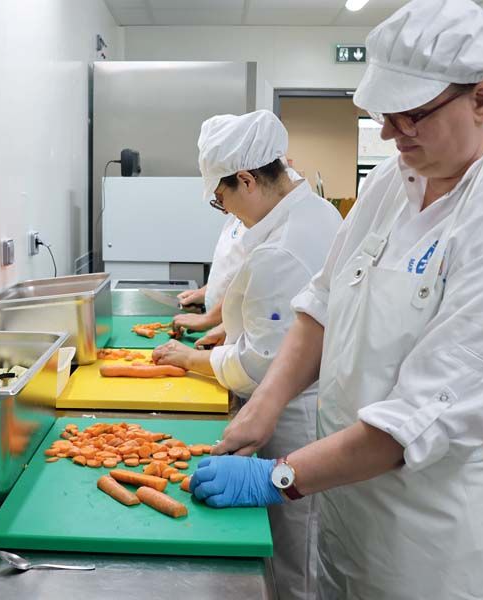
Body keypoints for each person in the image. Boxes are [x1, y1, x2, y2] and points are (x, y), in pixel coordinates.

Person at [187, 1, 483, 599]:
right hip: (351, 504)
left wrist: (279, 474)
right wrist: (264, 406)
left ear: (482, 98)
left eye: (412, 114)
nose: (392, 134)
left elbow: (420, 418)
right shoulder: (396, 182)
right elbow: (322, 303)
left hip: (441, 542)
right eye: (384, 115)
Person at [152, 109, 342, 600]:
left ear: (246, 180)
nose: (227, 211)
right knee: (296, 549)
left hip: (295, 418)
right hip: (306, 405)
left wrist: (193, 360)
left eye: (222, 200)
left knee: (292, 552)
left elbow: (262, 366)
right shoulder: (311, 212)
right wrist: (228, 328)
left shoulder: (286, 245)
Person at [172, 214, 247, 343]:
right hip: (221, 328)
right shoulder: (235, 218)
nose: (222, 208)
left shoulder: (264, 221)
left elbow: (249, 282)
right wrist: (205, 293)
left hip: (241, 330)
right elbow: (229, 270)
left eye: (220, 197)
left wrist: (209, 318)